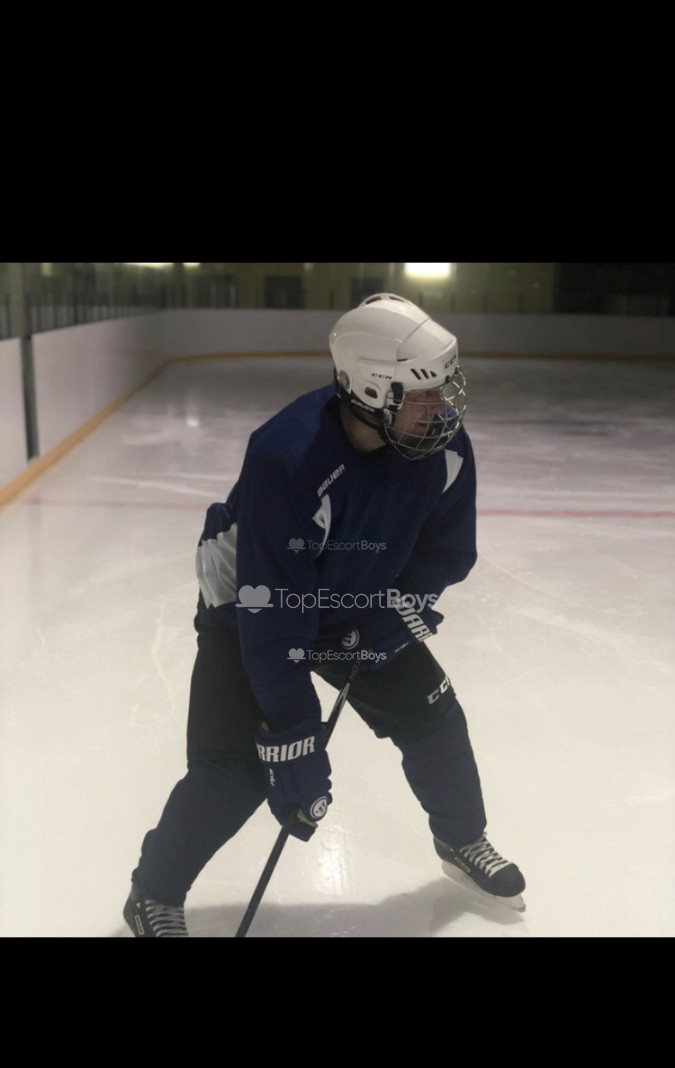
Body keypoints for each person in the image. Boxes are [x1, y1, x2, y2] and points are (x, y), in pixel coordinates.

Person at [123, 293, 525, 937]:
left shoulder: (442, 446)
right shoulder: (287, 456)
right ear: (371, 389)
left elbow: (447, 550)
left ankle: (462, 839)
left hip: (355, 602)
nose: (442, 407)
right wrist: (292, 731)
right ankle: (153, 893)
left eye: (444, 388)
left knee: (434, 718)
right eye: (423, 393)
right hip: (250, 605)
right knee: (236, 771)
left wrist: (398, 606)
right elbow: (272, 611)